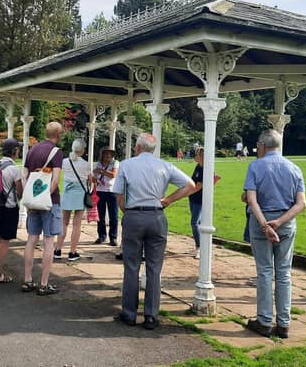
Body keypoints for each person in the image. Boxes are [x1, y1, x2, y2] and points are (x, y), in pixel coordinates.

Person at [112, 133, 195, 330]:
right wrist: (168, 200)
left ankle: (129, 313)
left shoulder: (126, 165)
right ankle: (151, 315)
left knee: (131, 267)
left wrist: (127, 211)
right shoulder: (165, 165)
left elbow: (119, 195)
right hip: (157, 216)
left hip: (134, 215)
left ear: (138, 148)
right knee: (154, 268)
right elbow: (190, 185)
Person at [244, 129, 306, 339]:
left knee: (264, 272)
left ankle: (263, 321)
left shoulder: (255, 166)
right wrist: (279, 222)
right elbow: (301, 204)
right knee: (284, 273)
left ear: (262, 145)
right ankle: (284, 323)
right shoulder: (294, 168)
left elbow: (251, 199)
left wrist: (265, 225)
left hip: (262, 223)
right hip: (286, 224)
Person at [22, 121, 64, 296]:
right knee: (48, 241)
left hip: (32, 201)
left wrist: (29, 197)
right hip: (50, 201)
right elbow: (54, 180)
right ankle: (44, 284)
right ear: (58, 135)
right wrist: (45, 196)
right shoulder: (56, 152)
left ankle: (27, 280)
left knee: (31, 239)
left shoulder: (32, 150)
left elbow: (23, 175)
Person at [0, 138, 23, 283]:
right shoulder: (14, 168)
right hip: (9, 206)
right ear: (14, 151)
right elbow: (19, 191)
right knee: (5, 241)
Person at [55, 139, 92, 261]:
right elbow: (89, 180)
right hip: (80, 195)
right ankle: (72, 252)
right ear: (83, 150)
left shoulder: (65, 162)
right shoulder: (86, 164)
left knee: (63, 223)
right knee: (76, 225)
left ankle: (58, 250)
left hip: (67, 194)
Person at [187, 147, 221, 260]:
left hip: (200, 199)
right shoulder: (198, 167)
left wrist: (185, 191)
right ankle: (202, 245)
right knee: (199, 222)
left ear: (201, 156)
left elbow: (199, 186)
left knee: (194, 223)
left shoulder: (206, 169)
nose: (195, 156)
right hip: (193, 198)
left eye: (196, 154)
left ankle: (200, 248)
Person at [93, 146, 119, 246]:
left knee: (114, 216)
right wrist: (95, 177)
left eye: (110, 154)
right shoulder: (98, 163)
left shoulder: (115, 163)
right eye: (106, 153)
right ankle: (101, 236)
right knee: (100, 215)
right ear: (102, 155)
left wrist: (101, 171)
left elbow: (113, 175)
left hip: (112, 191)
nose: (108, 155)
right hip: (100, 191)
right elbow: (95, 175)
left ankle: (113, 237)